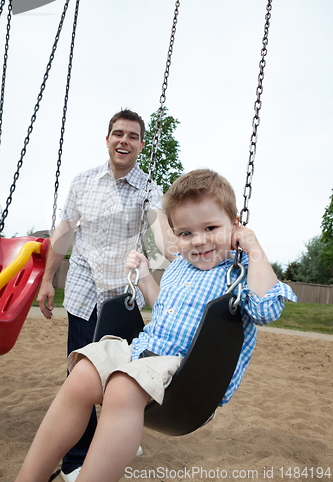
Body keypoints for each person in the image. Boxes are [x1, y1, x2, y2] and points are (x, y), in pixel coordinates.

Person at [16, 169, 296, 482]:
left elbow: (267, 309)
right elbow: (163, 307)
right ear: (175, 236)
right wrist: (146, 275)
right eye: (186, 233)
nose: (199, 240)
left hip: (191, 377)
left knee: (123, 385)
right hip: (144, 354)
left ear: (234, 227)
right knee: (81, 371)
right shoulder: (178, 268)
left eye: (211, 228)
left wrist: (252, 246)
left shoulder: (241, 270)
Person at [36, 109, 176, 482]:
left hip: (121, 295)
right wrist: (48, 280)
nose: (124, 141)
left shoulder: (148, 188)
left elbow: (159, 229)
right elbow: (63, 235)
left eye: (132, 136)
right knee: (81, 373)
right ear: (108, 138)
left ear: (141, 145)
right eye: (118, 133)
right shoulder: (83, 182)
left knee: (120, 377)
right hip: (83, 287)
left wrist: (179, 246)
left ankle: (114, 435)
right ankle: (75, 461)